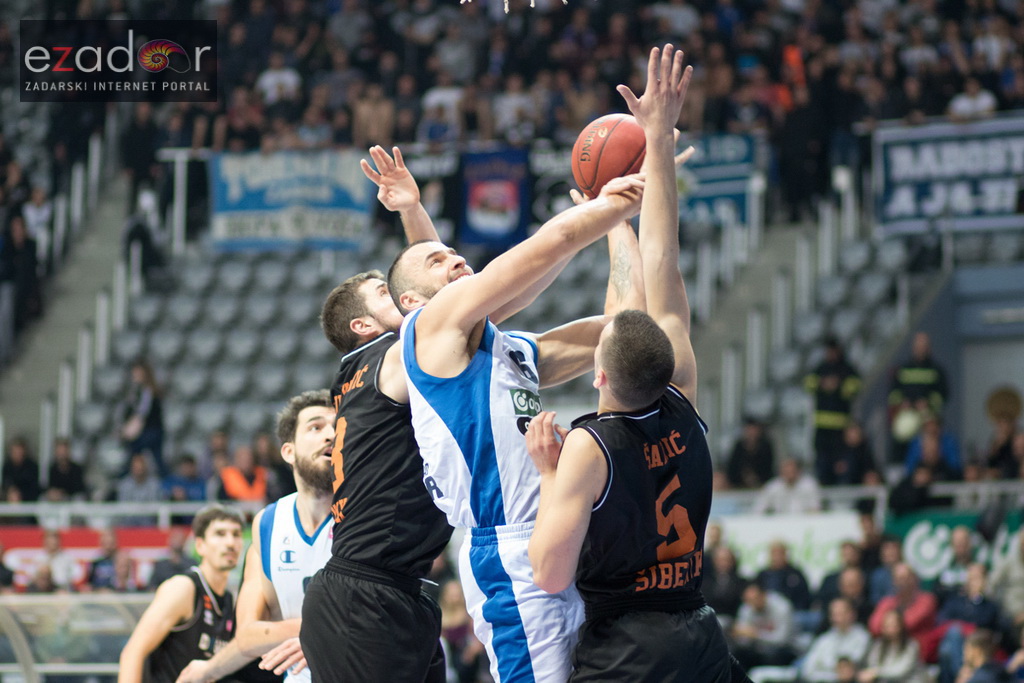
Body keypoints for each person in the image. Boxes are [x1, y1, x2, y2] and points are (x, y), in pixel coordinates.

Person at [390, 95, 647, 681]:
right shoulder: (423, 333)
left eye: (456, 254)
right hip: (508, 555)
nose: (455, 260)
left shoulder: (507, 353)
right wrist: (607, 202)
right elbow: (544, 250)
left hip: (567, 531)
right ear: (410, 303)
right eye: (439, 260)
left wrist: (619, 227)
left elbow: (625, 331)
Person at [523, 45, 745, 681]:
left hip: (629, 648)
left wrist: (546, 472)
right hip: (699, 634)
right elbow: (662, 264)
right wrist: (646, 161)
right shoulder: (683, 395)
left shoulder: (588, 447)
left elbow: (549, 572)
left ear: (597, 374)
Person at [301, 144, 456, 682]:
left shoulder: (362, 372)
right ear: (364, 326)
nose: (400, 291)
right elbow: (445, 295)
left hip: (395, 591)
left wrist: (412, 210)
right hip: (365, 595)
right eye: (384, 293)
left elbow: (435, 285)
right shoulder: (387, 358)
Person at [176, 390, 336, 683]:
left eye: (338, 428)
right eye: (316, 426)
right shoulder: (270, 523)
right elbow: (248, 636)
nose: (331, 435)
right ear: (288, 452)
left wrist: (311, 634)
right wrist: (208, 670)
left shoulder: (367, 514)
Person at [118, 504, 244, 683]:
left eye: (236, 534)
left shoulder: (231, 599)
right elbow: (132, 653)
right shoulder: (183, 588)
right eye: (220, 534)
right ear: (200, 545)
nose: (230, 542)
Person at [805, 336, 862, 481]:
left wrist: (839, 386)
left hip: (840, 431)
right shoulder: (820, 368)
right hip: (822, 431)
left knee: (841, 468)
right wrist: (821, 384)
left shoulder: (846, 369)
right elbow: (808, 384)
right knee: (822, 468)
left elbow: (854, 387)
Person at [801, 598, 872, 682]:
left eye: (841, 614)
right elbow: (807, 670)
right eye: (834, 614)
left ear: (852, 614)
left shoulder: (863, 637)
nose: (837, 618)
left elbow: (850, 671)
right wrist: (833, 676)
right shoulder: (824, 639)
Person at [119, 358, 166, 477]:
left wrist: (128, 431)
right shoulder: (135, 391)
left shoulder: (148, 391)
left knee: (139, 451)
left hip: (152, 430)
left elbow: (142, 414)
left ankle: (125, 474)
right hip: (146, 430)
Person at [858, 608, 929, 683]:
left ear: (901, 626)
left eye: (893, 625)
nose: (889, 628)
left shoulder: (912, 646)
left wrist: (876, 673)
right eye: (886, 625)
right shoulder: (878, 644)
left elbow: (900, 672)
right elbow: (872, 665)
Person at [755, 540, 812, 611]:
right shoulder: (762, 574)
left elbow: (804, 596)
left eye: (780, 553)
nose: (777, 557)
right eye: (774, 553)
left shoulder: (795, 574)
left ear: (785, 554)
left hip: (792, 612)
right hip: (766, 613)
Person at [753, 457, 823, 514]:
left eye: (792, 471)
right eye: (786, 472)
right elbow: (759, 509)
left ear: (798, 471)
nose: (789, 475)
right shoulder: (772, 487)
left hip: (804, 523)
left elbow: (816, 509)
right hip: (779, 524)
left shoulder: (809, 485)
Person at [726, 417, 776, 488]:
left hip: (762, 483)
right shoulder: (739, 446)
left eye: (754, 430)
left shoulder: (765, 446)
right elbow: (733, 466)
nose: (752, 432)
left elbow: (768, 466)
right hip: (739, 484)